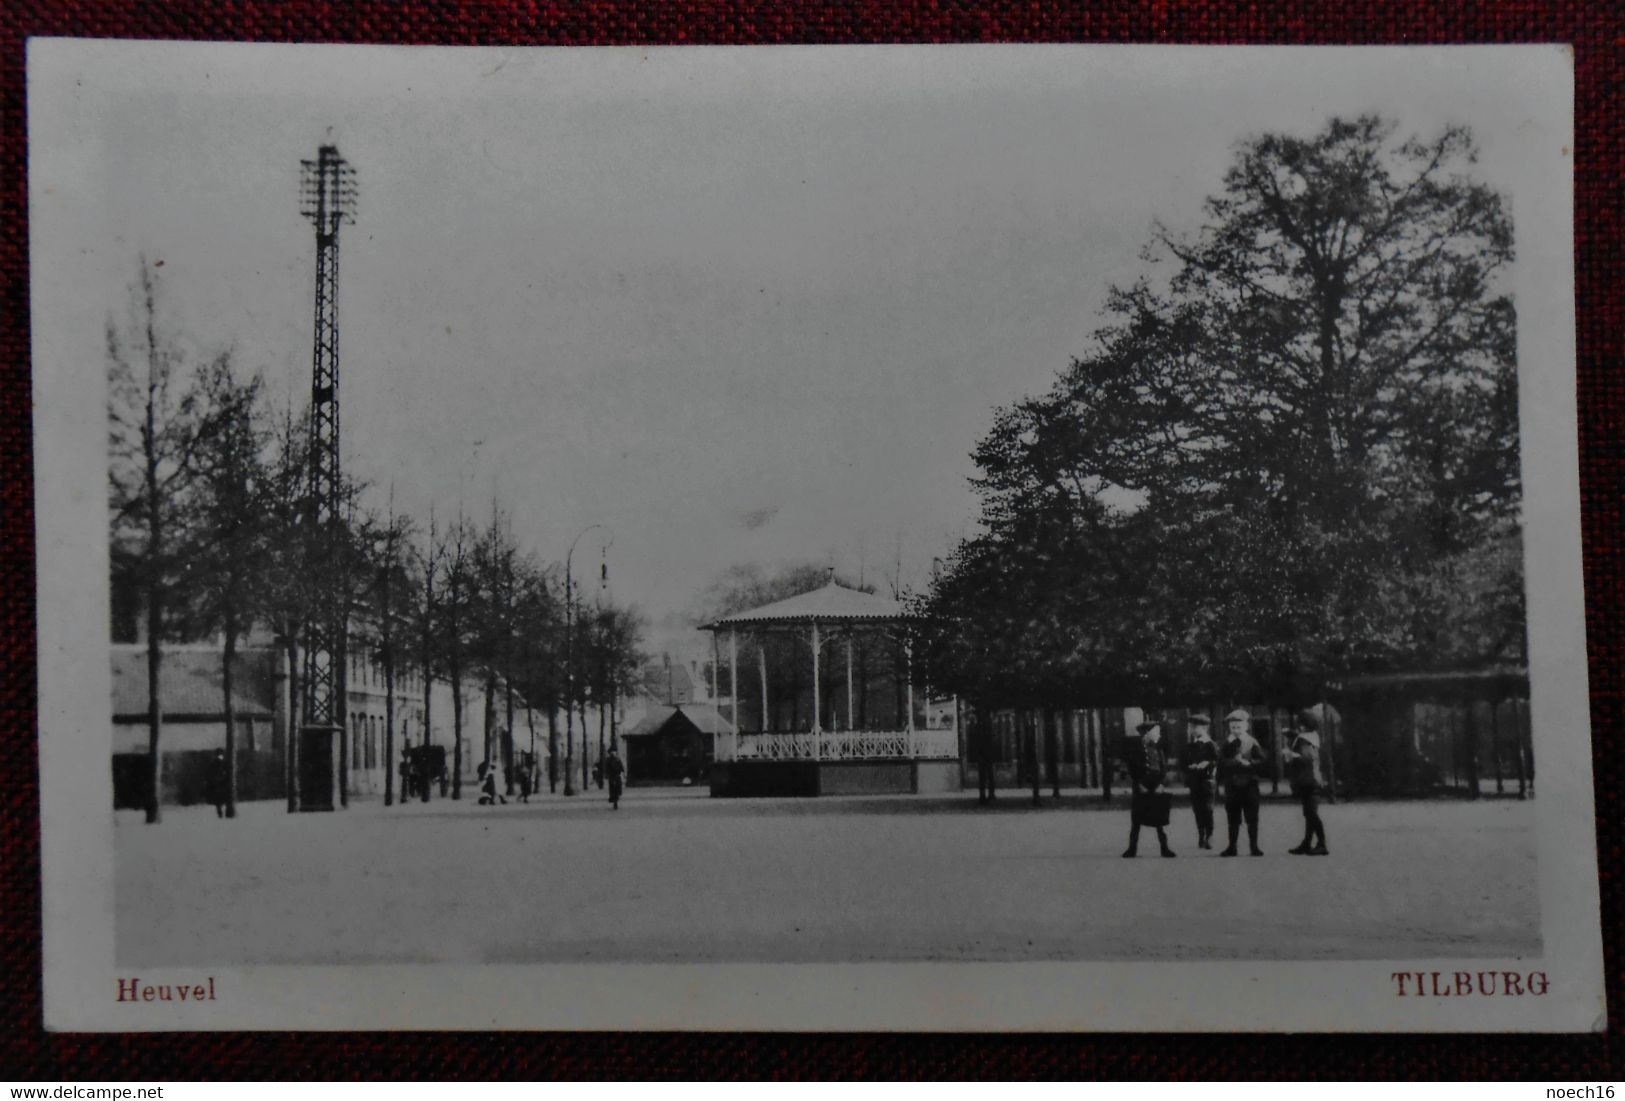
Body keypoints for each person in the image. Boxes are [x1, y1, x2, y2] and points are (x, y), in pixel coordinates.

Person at [1123, 719, 1175, 858]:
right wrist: (1139, 784)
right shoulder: (1136, 751)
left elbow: (1163, 769)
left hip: (1156, 787)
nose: (1158, 735)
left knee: (1159, 821)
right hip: (1141, 788)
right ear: (1146, 734)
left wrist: (1161, 784)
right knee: (1136, 821)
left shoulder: (1159, 750)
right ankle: (1132, 849)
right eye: (1155, 732)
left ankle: (1165, 848)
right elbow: (1132, 769)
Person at [1217, 708, 1266, 856]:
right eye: (1233, 727)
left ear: (1246, 726)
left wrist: (1250, 763)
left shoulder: (1252, 742)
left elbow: (1262, 761)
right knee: (1233, 817)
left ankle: (1254, 846)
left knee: (1252, 817)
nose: (1236, 730)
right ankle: (1232, 846)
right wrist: (1232, 763)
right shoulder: (1226, 743)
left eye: (1239, 727)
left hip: (1250, 785)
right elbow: (1221, 762)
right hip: (1232, 785)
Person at [1283, 710, 1329, 855]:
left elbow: (1306, 757)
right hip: (1311, 779)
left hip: (1308, 780)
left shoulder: (1304, 740)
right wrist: (1289, 733)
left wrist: (1291, 754)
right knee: (1309, 813)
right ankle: (1307, 842)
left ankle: (1322, 844)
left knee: (1311, 814)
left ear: (1303, 725)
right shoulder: (1311, 737)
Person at [1181, 713, 1219, 849]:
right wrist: (1188, 767)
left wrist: (1207, 763)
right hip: (1194, 781)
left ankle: (1210, 835)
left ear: (1205, 728)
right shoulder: (1190, 746)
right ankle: (1201, 834)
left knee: (1207, 809)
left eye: (1195, 727)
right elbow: (1183, 762)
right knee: (1197, 810)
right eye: (1191, 727)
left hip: (1207, 782)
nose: (1192, 730)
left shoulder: (1210, 745)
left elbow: (1216, 760)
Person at [206, 749, 228, 818]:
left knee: (222, 799)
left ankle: (222, 812)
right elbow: (210, 774)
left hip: (222, 784)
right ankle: (220, 813)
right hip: (217, 784)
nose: (219, 756)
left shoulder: (223, 763)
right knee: (219, 800)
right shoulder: (214, 764)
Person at [604, 745, 625, 809]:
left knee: (616, 789)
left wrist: (623, 774)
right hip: (612, 776)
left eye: (614, 752)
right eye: (612, 752)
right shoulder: (610, 760)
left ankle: (615, 800)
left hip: (616, 776)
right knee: (613, 789)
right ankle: (614, 801)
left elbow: (622, 768)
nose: (613, 753)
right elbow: (606, 768)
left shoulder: (617, 760)